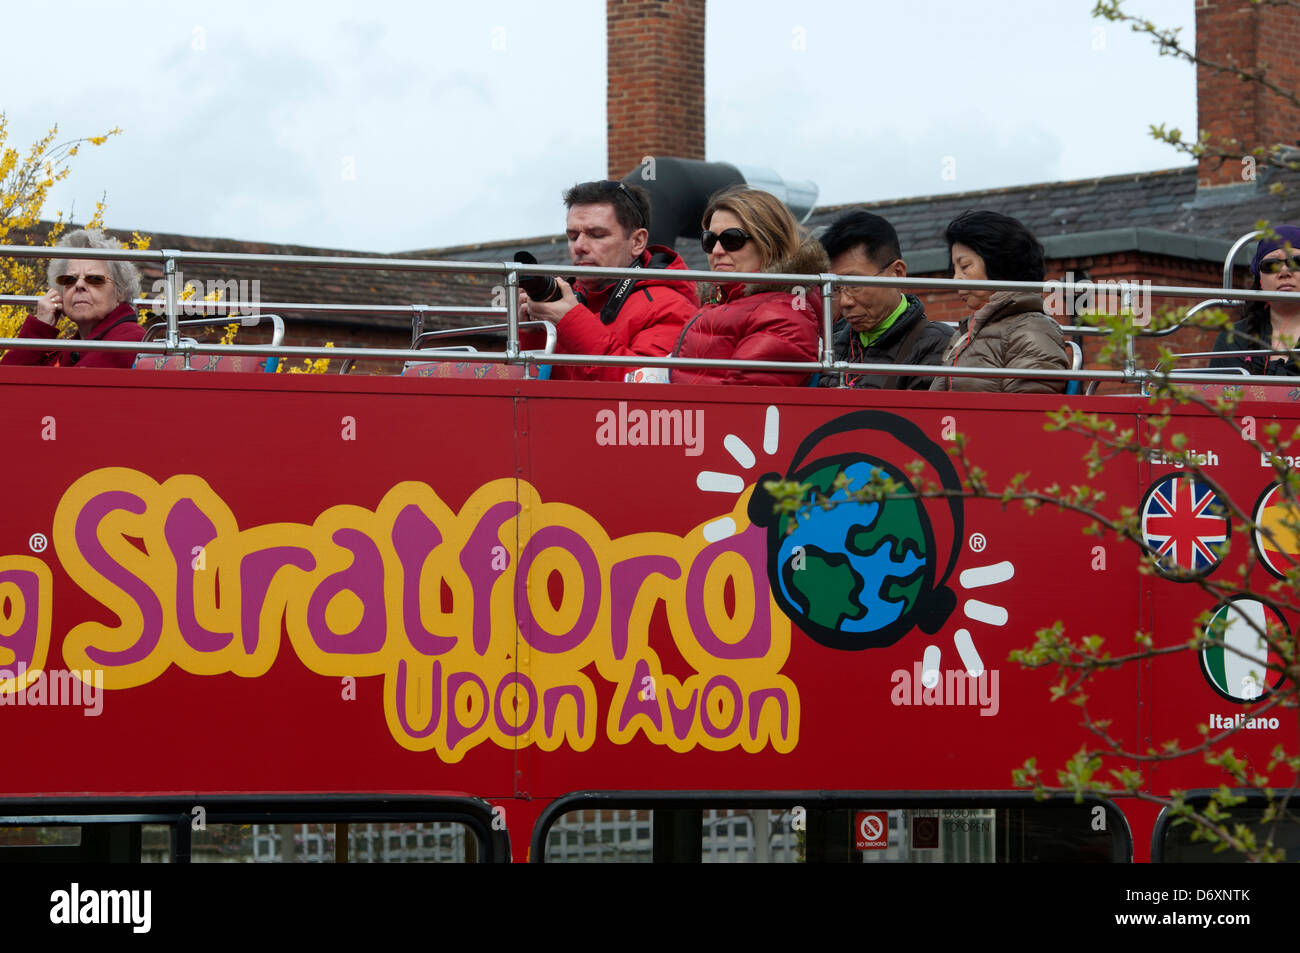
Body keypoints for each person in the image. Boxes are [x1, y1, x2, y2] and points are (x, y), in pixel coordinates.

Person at [518, 180, 698, 382]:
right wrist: (532, 333)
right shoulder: (564, 299)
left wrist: (572, 322)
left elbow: (643, 388)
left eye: (597, 235)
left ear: (637, 242)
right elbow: (532, 393)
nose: (579, 246)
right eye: (573, 236)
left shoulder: (672, 307)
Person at [671, 187, 825, 386]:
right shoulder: (719, 301)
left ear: (769, 244)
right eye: (709, 240)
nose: (717, 251)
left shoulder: (785, 314)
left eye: (731, 239)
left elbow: (741, 406)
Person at [930, 210, 1068, 393]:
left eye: (965, 267)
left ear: (999, 264)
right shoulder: (965, 333)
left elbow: (1027, 414)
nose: (956, 279)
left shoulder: (1031, 330)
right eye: (954, 269)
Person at [817, 210, 953, 389]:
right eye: (835, 288)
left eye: (854, 284)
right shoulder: (830, 344)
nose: (844, 302)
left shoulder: (937, 345)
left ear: (897, 273)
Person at [1, 228, 144, 368]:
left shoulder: (130, 339)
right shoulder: (70, 348)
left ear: (120, 292)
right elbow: (7, 381)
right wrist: (40, 328)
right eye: (69, 279)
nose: (79, 284)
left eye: (94, 279)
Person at [1210, 225, 1300, 375]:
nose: (1284, 271)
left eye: (1296, 262)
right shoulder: (1233, 339)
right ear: (1260, 281)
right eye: (1271, 265)